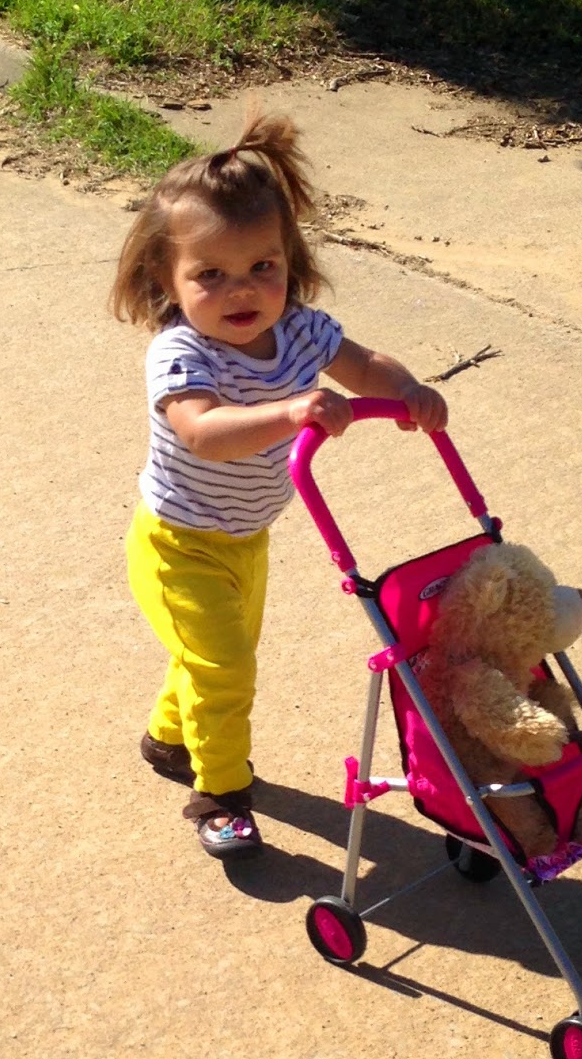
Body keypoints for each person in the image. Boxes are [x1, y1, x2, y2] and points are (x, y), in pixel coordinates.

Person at [111, 108, 448, 859]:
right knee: (226, 668)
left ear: (288, 262)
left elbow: (365, 365)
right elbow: (203, 431)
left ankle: (168, 738)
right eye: (210, 275)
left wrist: (407, 391)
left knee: (212, 658)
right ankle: (220, 794)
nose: (242, 291)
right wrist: (290, 410)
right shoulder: (181, 353)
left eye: (262, 267)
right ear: (165, 279)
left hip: (247, 538)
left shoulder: (299, 329)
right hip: (177, 545)